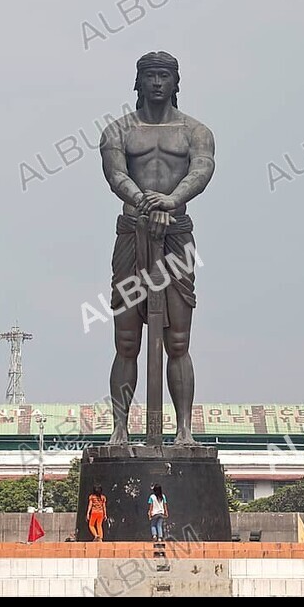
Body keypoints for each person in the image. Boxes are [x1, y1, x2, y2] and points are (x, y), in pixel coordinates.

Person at [101, 51, 216, 446]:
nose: (156, 83)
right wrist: (146, 202)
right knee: (127, 340)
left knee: (178, 341)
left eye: (164, 76)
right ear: (138, 81)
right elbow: (115, 174)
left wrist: (171, 200)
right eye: (149, 75)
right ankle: (120, 427)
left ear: (175, 82)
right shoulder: (118, 131)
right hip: (132, 235)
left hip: (177, 238)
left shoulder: (194, 132)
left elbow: (202, 170)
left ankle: (184, 430)